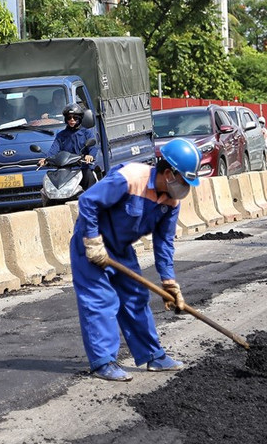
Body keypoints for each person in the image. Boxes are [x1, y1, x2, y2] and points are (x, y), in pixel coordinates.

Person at [70, 137, 201, 381]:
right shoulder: (130, 178)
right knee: (101, 300)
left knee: (136, 297)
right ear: (170, 173)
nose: (186, 187)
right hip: (91, 244)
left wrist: (169, 282)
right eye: (185, 180)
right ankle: (103, 362)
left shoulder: (171, 201)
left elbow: (164, 243)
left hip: (120, 249)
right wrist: (92, 241)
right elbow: (88, 201)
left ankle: (153, 356)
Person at [38, 104, 99, 189]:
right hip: (67, 172)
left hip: (83, 168)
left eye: (75, 118)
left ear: (80, 119)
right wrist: (46, 159)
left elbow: (93, 147)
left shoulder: (87, 133)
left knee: (89, 178)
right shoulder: (61, 135)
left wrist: (90, 156)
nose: (72, 120)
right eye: (69, 118)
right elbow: (54, 149)